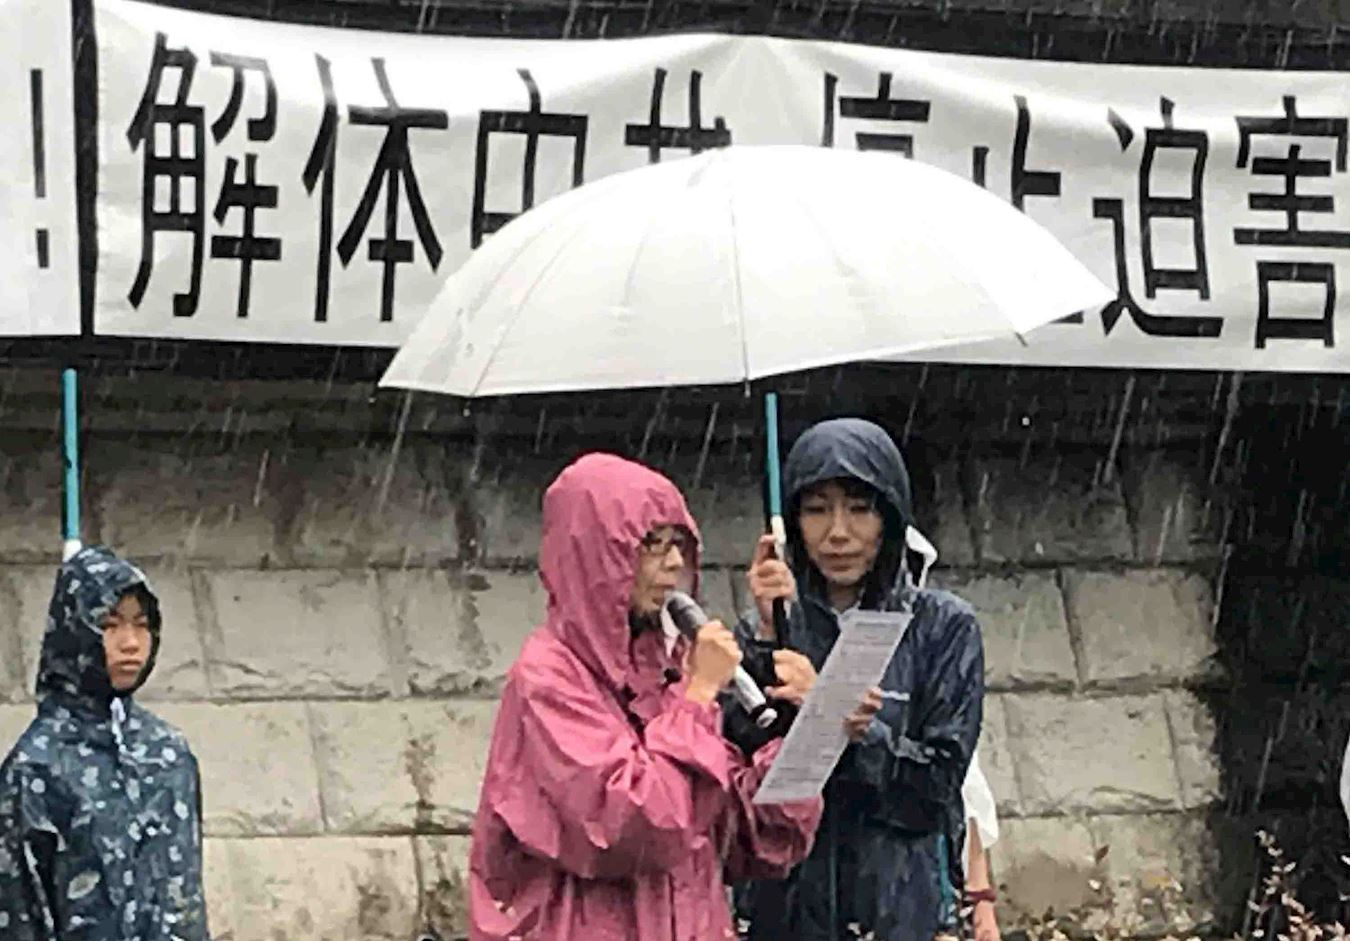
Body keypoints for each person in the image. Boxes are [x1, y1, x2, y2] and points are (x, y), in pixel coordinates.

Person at [468, 452, 822, 941]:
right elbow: (631, 826)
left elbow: (745, 837)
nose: (674, 562)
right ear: (598, 556)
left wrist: (804, 735)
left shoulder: (667, 673)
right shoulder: (548, 680)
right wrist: (698, 696)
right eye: (651, 544)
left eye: (677, 543)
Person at [727, 418, 985, 941]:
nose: (838, 533)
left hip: (899, 911)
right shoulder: (769, 630)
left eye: (860, 509)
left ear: (890, 516)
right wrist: (765, 641)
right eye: (816, 510)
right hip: (788, 912)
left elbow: (933, 790)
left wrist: (844, 721)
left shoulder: (942, 627)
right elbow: (742, 779)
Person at [0, 546, 209, 940]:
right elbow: (18, 913)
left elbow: (187, 895)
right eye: (109, 625)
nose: (131, 643)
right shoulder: (37, 768)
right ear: (75, 632)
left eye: (142, 625)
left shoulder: (168, 754)